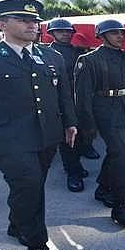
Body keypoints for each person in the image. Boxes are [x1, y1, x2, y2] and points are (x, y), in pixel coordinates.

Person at [0, 0, 77, 250]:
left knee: (33, 185)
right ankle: (37, 242)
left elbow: (64, 94)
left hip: (46, 134)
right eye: (23, 20)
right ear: (1, 24)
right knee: (30, 185)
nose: (32, 25)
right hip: (5, 137)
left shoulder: (51, 56)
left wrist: (70, 123)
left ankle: (16, 222)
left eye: (35, 20)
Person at [74, 19, 125, 226]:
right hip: (105, 110)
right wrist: (87, 126)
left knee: (116, 153)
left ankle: (103, 188)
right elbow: (83, 95)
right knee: (123, 157)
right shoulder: (89, 59)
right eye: (114, 33)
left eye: (122, 32)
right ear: (101, 36)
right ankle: (120, 205)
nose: (120, 36)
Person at [46, 18, 92, 193]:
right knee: (68, 139)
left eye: (68, 31)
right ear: (52, 34)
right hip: (59, 101)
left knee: (82, 136)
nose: (65, 34)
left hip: (80, 99)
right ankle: (73, 172)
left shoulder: (79, 52)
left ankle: (76, 165)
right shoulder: (46, 53)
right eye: (60, 31)